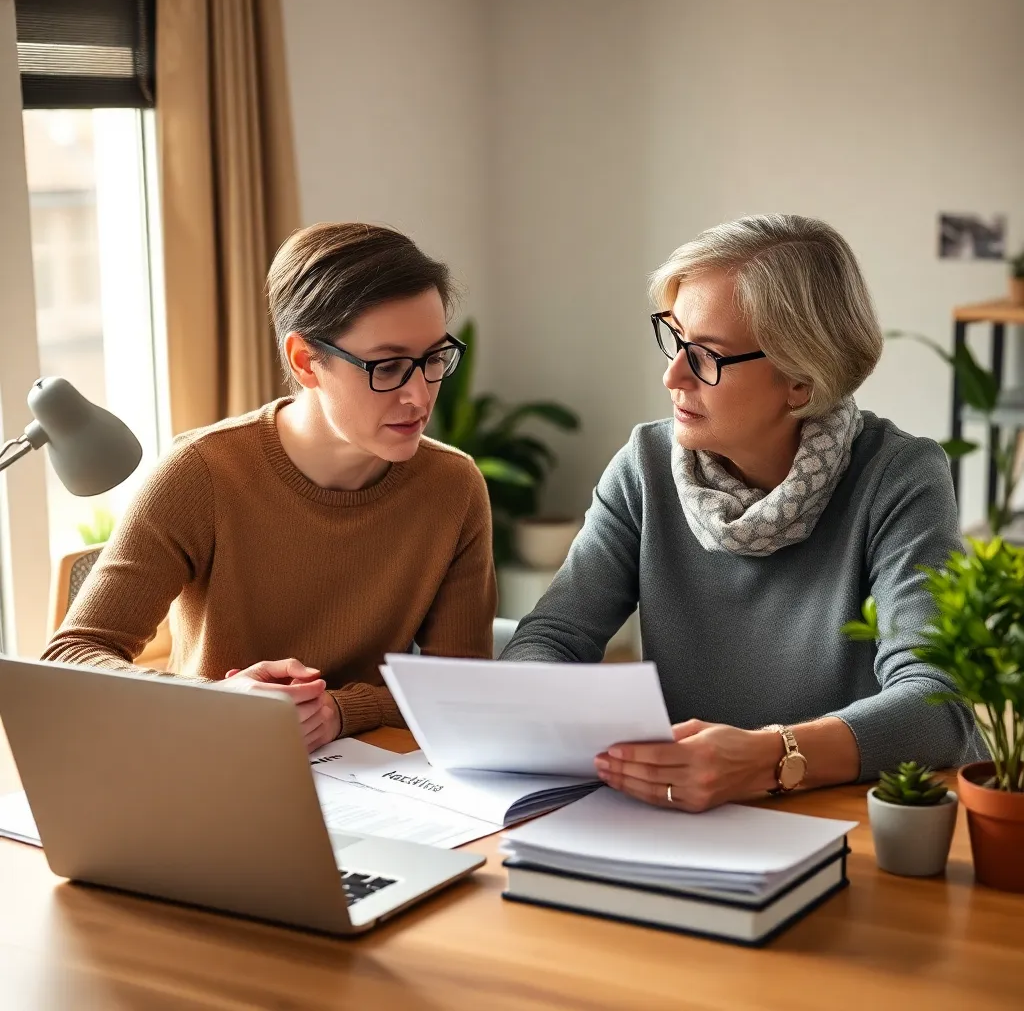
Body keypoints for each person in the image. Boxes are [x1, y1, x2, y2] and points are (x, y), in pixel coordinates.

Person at [502, 214, 981, 811]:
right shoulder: (644, 466)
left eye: (706, 355)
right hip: (685, 815)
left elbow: (937, 704)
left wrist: (768, 757)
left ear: (801, 381)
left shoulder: (899, 477)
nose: (673, 374)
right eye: (675, 338)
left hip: (846, 816)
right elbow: (552, 636)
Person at [43, 222, 497, 751]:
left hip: (372, 769)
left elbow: (460, 686)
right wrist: (221, 701)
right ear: (306, 361)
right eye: (389, 366)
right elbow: (72, 657)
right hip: (215, 756)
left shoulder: (453, 486)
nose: (419, 395)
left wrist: (340, 711)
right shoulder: (201, 474)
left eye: (434, 359)